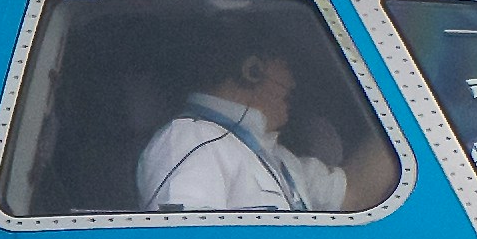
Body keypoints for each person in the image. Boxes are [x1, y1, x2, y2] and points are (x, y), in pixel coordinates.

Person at [135, 37, 353, 213]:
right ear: (253, 70)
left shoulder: (279, 159)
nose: (293, 83)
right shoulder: (192, 138)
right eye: (286, 67)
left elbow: (356, 195)